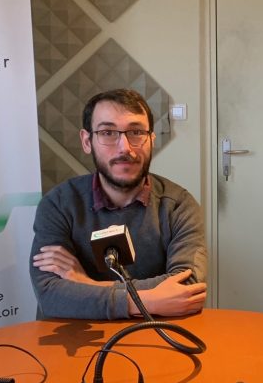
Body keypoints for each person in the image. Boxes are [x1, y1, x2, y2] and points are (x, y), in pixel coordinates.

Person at [29, 88, 207, 320]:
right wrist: (148, 300)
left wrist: (85, 283)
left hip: (156, 332)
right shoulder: (58, 204)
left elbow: (187, 286)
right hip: (76, 333)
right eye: (108, 133)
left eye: (136, 132)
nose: (125, 147)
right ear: (87, 141)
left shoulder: (178, 205)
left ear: (151, 140)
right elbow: (49, 295)